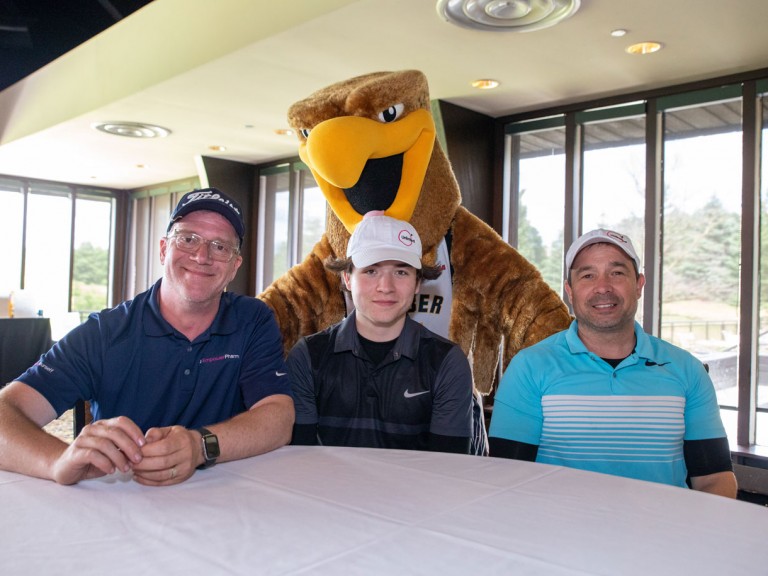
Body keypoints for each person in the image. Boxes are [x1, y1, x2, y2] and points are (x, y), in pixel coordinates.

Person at [0, 187, 294, 487]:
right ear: (164, 249)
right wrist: (55, 461)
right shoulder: (105, 332)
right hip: (123, 500)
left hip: (226, 497)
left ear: (234, 266)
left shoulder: (252, 320)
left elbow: (279, 416)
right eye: (188, 239)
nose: (202, 256)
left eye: (220, 246)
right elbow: (5, 412)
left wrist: (199, 446)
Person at [489, 228, 737, 497]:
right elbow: (506, 477)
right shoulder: (529, 367)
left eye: (617, 273)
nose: (603, 287)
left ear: (639, 285)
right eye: (588, 275)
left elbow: (715, 478)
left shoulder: (687, 370)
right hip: (558, 523)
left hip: (664, 523)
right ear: (570, 291)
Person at [288, 212, 473, 454]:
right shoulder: (308, 356)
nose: (386, 287)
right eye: (371, 271)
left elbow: (449, 467)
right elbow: (299, 459)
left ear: (418, 282)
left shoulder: (447, 362)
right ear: (347, 278)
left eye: (401, 272)